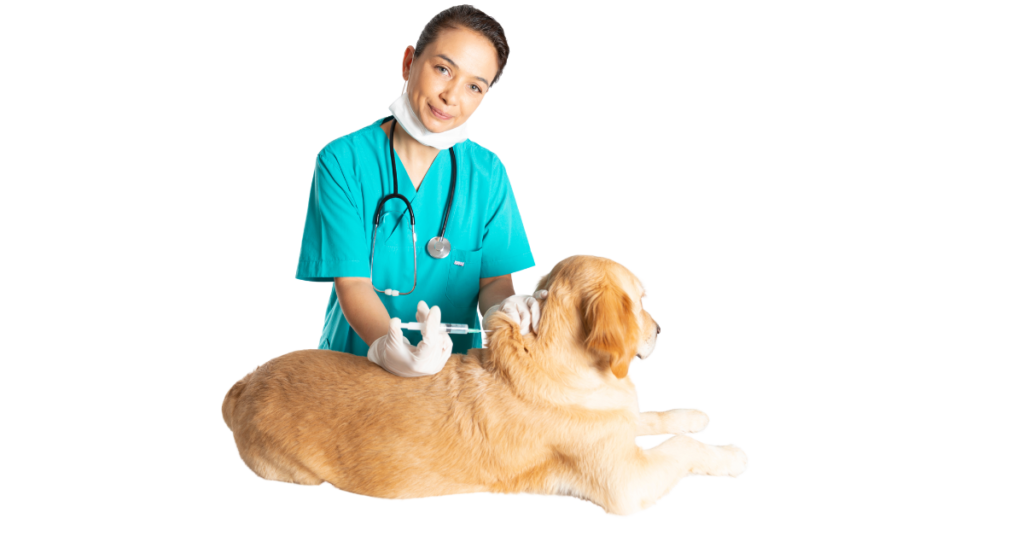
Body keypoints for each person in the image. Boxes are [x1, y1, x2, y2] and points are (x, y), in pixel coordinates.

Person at [295, 5, 544, 377]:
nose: (451, 96)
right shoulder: (342, 160)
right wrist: (388, 347)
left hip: (450, 379)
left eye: (474, 86)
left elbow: (493, 281)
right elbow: (353, 283)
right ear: (409, 62)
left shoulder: (487, 172)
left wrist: (504, 310)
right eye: (443, 69)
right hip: (354, 369)